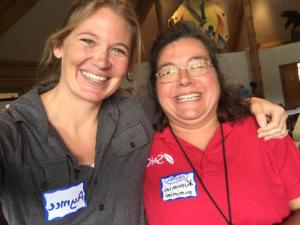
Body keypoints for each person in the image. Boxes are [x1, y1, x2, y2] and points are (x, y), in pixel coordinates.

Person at [0, 1, 289, 224]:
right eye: (88, 40)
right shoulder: (12, 134)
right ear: (58, 46)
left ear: (128, 66)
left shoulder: (133, 113)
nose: (101, 60)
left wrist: (252, 102)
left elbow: (193, 97)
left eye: (118, 49)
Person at [143, 21, 300, 225]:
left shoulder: (265, 129)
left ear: (217, 75)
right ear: (155, 87)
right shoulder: (140, 151)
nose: (184, 79)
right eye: (167, 72)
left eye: (197, 65)